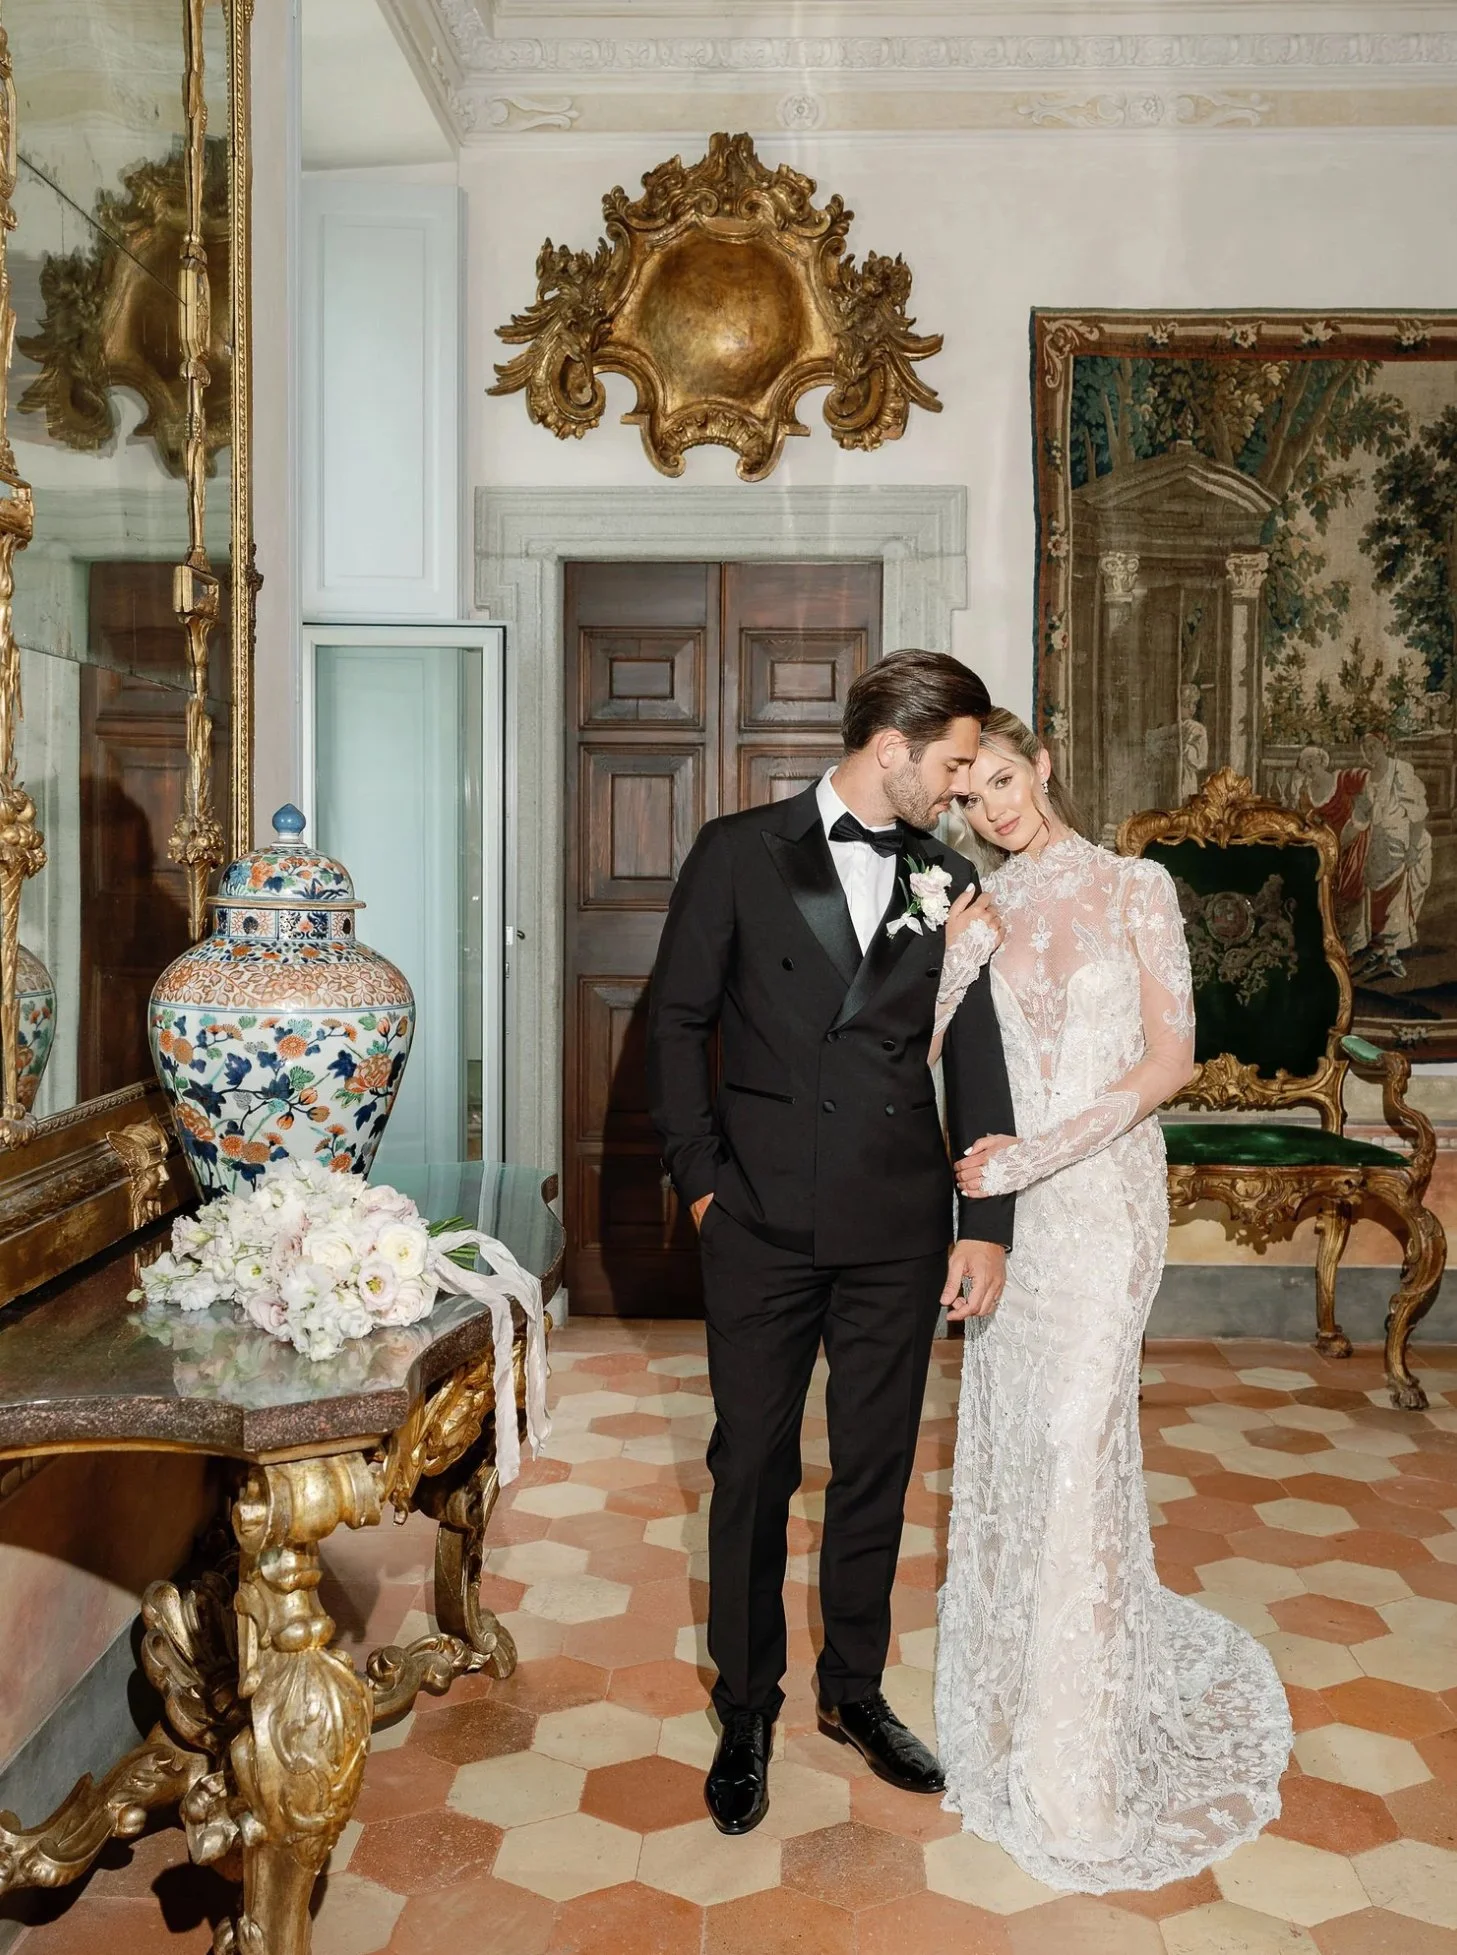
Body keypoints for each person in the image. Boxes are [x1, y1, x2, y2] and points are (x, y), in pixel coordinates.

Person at [647, 650, 1015, 1836]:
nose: (963, 788)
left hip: (897, 1226)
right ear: (891, 746)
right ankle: (746, 1703)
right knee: (750, 1463)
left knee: (874, 1464)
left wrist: (986, 1225)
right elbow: (675, 1022)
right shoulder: (737, 850)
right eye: (954, 763)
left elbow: (973, 1057)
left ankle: (853, 1689)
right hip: (756, 1218)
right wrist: (702, 1187)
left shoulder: (948, 876)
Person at [930, 707, 1292, 1892]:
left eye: (1002, 778)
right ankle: (1016, 1693)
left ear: (1041, 763)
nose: (991, 806)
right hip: (1012, 1224)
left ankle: (1077, 1760)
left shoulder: (1135, 885)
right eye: (969, 794)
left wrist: (1039, 1155)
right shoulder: (979, 908)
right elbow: (933, 1058)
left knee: (1079, 1444)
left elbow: (1167, 1060)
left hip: (1100, 1207)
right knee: (1024, 1448)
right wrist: (952, 968)